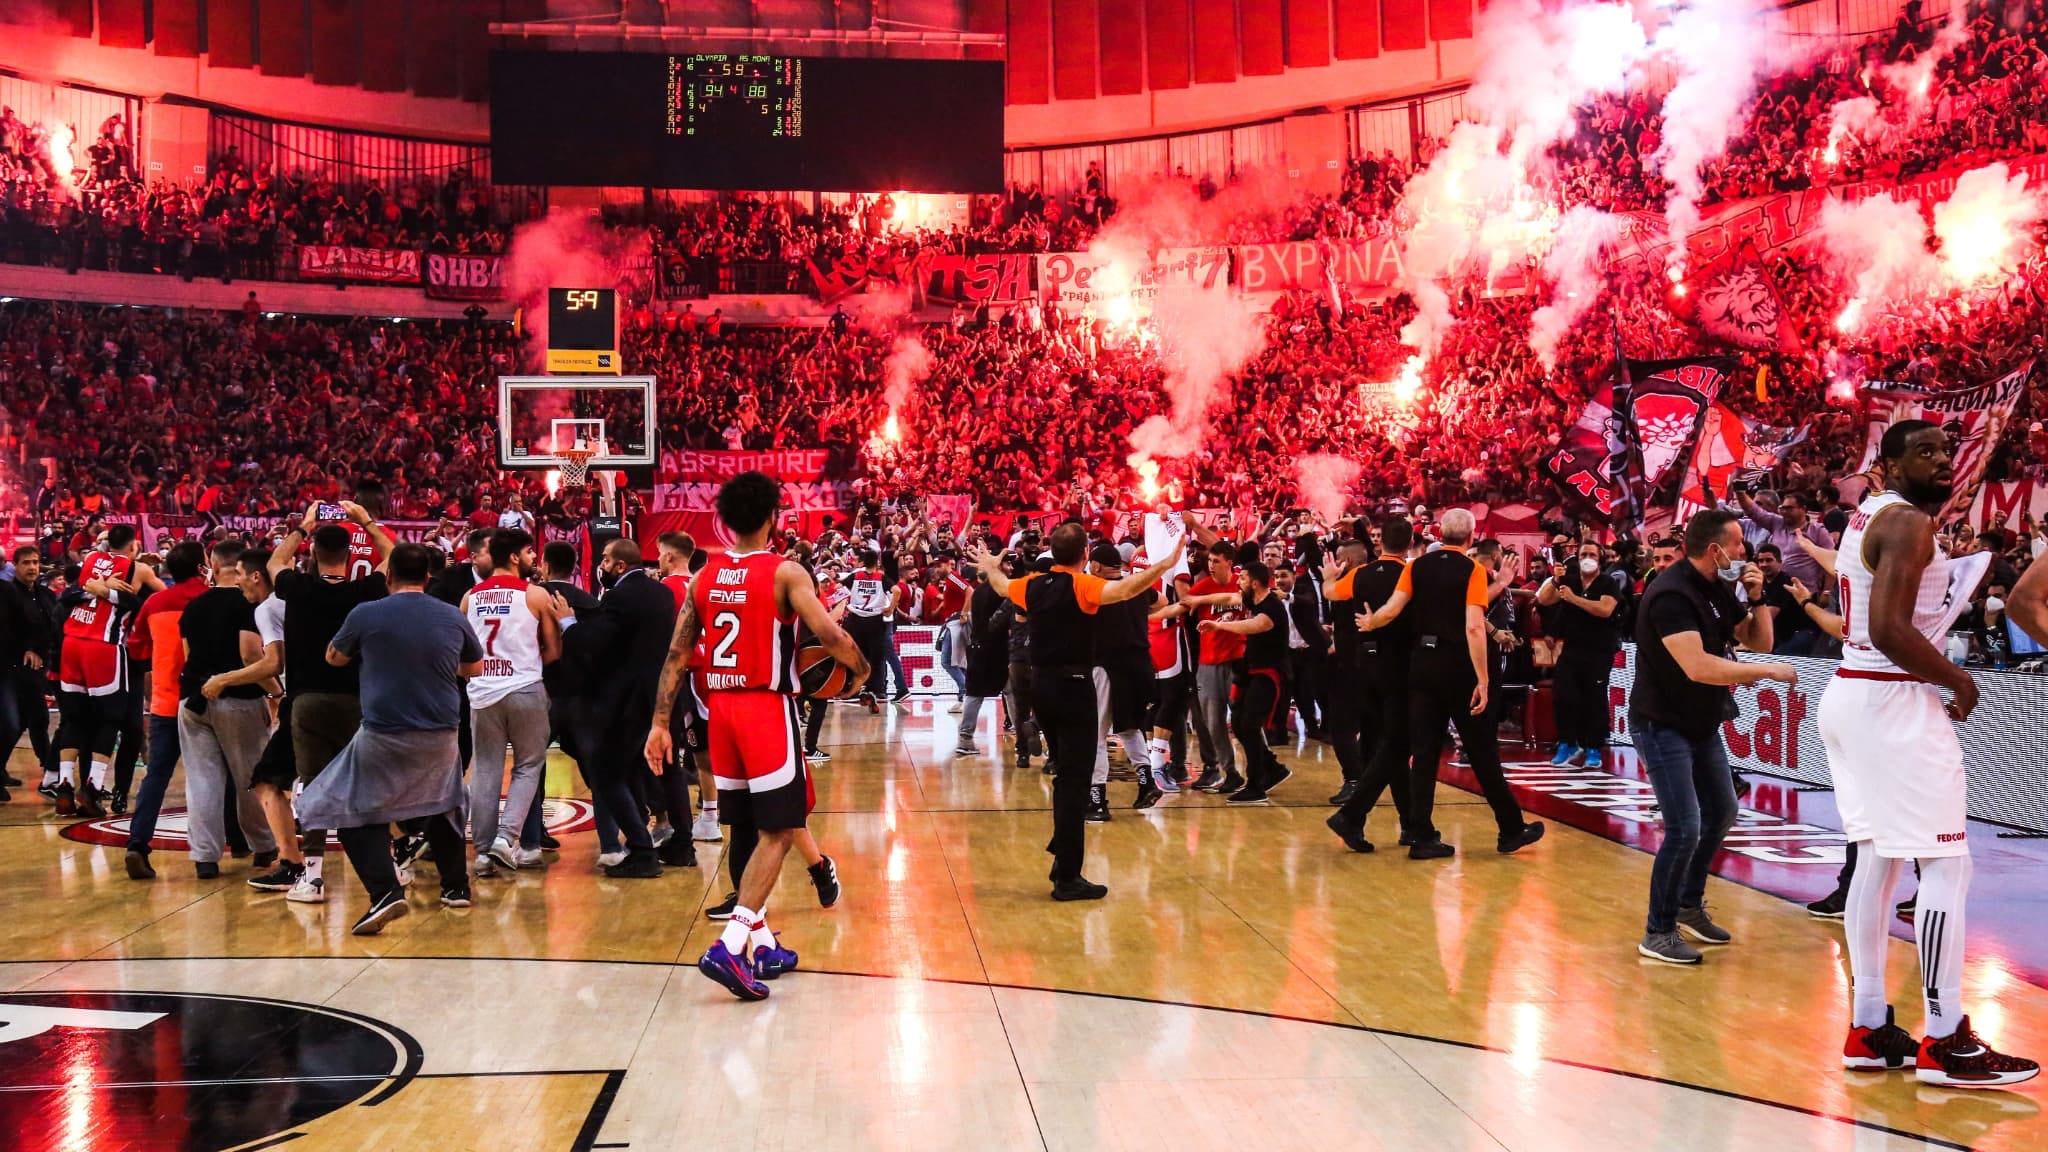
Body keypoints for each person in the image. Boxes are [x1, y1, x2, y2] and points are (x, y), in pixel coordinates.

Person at [1819, 420, 2037, 1087]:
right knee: (1947, 864)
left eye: (1947, 451)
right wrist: (1958, 677)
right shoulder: (1909, 523)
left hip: (1852, 696)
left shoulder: (1869, 516)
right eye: (1924, 452)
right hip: (1891, 702)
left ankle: (1869, 1026)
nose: (1942, 461)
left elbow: (1872, 623)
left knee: (1877, 863)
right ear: (1886, 465)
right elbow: (1888, 629)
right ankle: (1945, 1039)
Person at [643, 471, 868, 1001]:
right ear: (774, 517)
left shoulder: (703, 576)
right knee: (782, 827)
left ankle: (764, 946)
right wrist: (860, 672)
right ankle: (732, 942)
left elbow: (677, 655)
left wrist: (659, 723)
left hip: (718, 710)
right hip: (765, 707)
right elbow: (831, 634)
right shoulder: (785, 572)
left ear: (724, 520)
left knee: (746, 827)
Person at [971, 524, 1181, 902]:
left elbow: (1002, 587)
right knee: (1074, 781)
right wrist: (1164, 564)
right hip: (1074, 687)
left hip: (1042, 690)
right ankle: (1067, 875)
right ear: (1085, 554)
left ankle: (1062, 855)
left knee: (1066, 775)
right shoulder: (1082, 587)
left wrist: (989, 566)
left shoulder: (1033, 586)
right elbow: (1128, 589)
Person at [1630, 509, 1795, 964]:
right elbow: (1699, 666)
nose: (1746, 552)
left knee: (1721, 811)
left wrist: (1758, 598)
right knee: (1684, 826)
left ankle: (1688, 903)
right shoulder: (1671, 595)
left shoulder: (1718, 587)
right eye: (1739, 544)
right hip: (1660, 723)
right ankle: (1657, 930)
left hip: (1700, 722)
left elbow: (1759, 641)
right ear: (1715, 549)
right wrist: (1766, 672)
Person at [299, 542, 481, 936]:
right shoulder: (451, 614)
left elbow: (335, 658)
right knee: (443, 801)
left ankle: (385, 891)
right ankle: (456, 886)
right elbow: (475, 666)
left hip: (385, 730)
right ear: (428, 577)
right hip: (442, 731)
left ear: (388, 577)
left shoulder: (367, 613)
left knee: (348, 809)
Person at [1356, 509, 1544, 860]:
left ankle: (1421, 834)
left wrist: (1372, 621)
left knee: (1424, 753)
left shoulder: (1416, 566)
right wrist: (1484, 680)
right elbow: (1474, 626)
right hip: (1457, 667)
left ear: (1440, 533)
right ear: (1471, 538)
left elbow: (1393, 608)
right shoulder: (1472, 569)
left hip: (1422, 665)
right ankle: (1510, 829)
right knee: (1482, 751)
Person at [267, 503, 394, 905]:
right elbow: (392, 556)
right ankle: (389, 869)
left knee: (312, 786)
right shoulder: (364, 591)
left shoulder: (297, 588)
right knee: (368, 785)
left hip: (307, 701)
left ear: (312, 553)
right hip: (358, 701)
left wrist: (303, 526)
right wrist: (366, 520)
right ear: (351, 556)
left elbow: (274, 560)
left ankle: (314, 875)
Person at [559, 538, 677, 878]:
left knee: (605, 774)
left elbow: (594, 644)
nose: (603, 565)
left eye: (607, 559)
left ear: (620, 565)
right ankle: (659, 836)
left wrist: (568, 623)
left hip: (624, 700)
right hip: (656, 693)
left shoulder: (620, 597)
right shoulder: (661, 592)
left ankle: (642, 850)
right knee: (635, 771)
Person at [174, 539, 279, 879]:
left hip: (192, 699)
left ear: (214, 566)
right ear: (245, 571)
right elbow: (250, 653)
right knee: (250, 777)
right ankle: (264, 847)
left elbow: (189, 656)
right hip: (238, 699)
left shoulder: (193, 607)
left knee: (202, 779)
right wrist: (276, 691)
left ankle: (205, 857)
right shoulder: (249, 604)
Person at [460, 529, 561, 877]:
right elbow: (554, 651)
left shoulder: (470, 596)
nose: (534, 558)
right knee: (529, 765)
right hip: (524, 688)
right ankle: (507, 838)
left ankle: (485, 855)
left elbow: (462, 653)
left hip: (482, 692)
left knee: (485, 770)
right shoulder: (535, 595)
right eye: (530, 552)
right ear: (515, 557)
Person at [1326, 518, 1419, 851]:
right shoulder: (1412, 574)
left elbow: (1331, 593)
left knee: (1376, 748)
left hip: (1364, 667)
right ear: (1409, 543)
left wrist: (1327, 578)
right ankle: (1359, 818)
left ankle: (1398, 825)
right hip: (1400, 668)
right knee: (1395, 748)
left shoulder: (1361, 575)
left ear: (1381, 544)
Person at [56, 523, 160, 817]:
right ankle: (91, 787)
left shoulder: (89, 559)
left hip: (71, 643)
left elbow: (71, 594)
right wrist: (108, 591)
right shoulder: (137, 568)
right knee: (109, 718)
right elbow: (160, 595)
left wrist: (94, 588)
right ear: (133, 544)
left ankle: (64, 784)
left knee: (74, 719)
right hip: (102, 646)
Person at [119, 542, 209, 879]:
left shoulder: (155, 603)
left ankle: (138, 843)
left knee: (156, 775)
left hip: (164, 701)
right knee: (217, 777)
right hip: (206, 699)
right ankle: (233, 843)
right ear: (202, 566)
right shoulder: (211, 597)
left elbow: (136, 645)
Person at [1195, 560, 1292, 803]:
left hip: (1270, 675)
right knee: (1238, 723)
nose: (1238, 582)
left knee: (1249, 725)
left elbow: (1254, 625)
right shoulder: (1251, 599)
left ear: (1255, 583)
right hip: (1251, 672)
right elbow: (1228, 599)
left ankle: (1256, 785)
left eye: (1243, 579)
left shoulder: (1272, 607)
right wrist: (1198, 600)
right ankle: (1273, 768)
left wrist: (1219, 626)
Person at [1536, 538, 1625, 768]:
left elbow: (1605, 610)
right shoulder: (1570, 581)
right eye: (1583, 554)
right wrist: (1556, 580)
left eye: (1592, 555)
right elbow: (1544, 599)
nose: (1587, 559)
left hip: (1599, 650)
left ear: (1600, 559)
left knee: (1593, 698)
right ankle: (1567, 741)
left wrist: (1574, 600)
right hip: (1572, 648)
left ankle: (1593, 746)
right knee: (1564, 695)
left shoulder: (1608, 583)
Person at [1086, 544, 1159, 816]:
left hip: (1107, 667)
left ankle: (1097, 798)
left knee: (1097, 734)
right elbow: (1161, 602)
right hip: (1140, 666)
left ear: (1095, 566)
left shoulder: (1097, 590)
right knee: (1130, 727)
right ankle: (1146, 781)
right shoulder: (1136, 586)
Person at [1187, 540, 1242, 792]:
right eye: (1209, 560)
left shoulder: (1241, 581)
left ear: (1229, 563)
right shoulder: (1200, 586)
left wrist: (1205, 599)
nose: (1210, 565)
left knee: (1244, 719)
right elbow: (1185, 602)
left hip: (1238, 660)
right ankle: (1229, 771)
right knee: (1213, 723)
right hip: (1208, 663)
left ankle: (1264, 767)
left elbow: (1242, 597)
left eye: (1216, 561)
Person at [954, 567, 1008, 756]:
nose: (1009, 569)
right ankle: (1024, 737)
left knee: (974, 694)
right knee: (1013, 691)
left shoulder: (977, 592)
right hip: (999, 649)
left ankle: (965, 738)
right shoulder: (1002, 592)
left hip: (977, 646)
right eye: (1006, 567)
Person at [841, 547, 896, 709]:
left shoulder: (856, 576)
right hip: (875, 620)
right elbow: (897, 590)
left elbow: (839, 588)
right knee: (876, 658)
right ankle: (877, 690)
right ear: (877, 562)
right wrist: (890, 608)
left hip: (856, 619)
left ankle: (852, 689)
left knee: (854, 655)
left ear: (864, 562)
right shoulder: (881, 577)